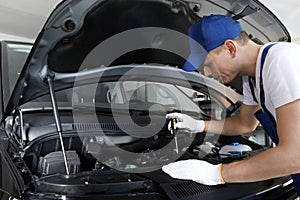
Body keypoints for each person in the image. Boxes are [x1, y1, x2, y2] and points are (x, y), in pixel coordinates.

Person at [162, 14, 300, 195]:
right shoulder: (251, 79)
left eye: (208, 64)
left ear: (230, 48)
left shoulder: (280, 61)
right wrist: (199, 125)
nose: (207, 73)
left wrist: (218, 173)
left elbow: (296, 155)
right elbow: (245, 123)